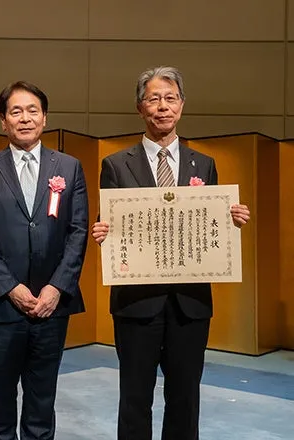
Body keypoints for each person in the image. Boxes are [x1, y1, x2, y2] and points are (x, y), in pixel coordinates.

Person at [91, 66, 251, 440]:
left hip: (189, 304)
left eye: (170, 98)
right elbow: (109, 221)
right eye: (154, 99)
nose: (163, 106)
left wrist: (230, 219)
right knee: (135, 397)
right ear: (140, 107)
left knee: (185, 397)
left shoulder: (204, 164)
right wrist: (102, 230)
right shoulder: (115, 165)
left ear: (181, 105)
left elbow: (207, 227)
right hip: (136, 303)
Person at [0, 81, 89, 440]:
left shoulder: (69, 167)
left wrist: (56, 287)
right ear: (3, 121)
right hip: (2, 305)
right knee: (0, 400)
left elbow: (78, 231)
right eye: (16, 111)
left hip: (52, 305)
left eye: (32, 110)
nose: (25, 118)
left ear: (45, 118)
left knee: (42, 400)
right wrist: (10, 288)